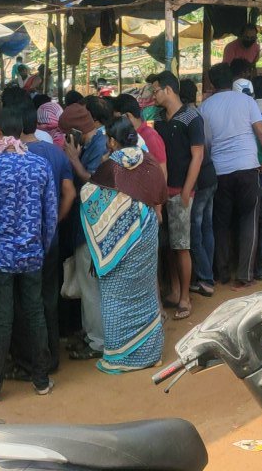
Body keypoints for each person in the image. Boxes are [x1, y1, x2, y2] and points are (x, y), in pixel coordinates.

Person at [0, 107, 57, 404]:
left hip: (0, 255)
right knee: (35, 313)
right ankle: (41, 380)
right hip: (32, 254)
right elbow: (50, 214)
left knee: (2, 320)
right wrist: (41, 245)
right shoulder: (40, 166)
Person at [78, 118, 167, 372]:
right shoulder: (147, 159)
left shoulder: (109, 167)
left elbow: (89, 193)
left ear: (112, 141)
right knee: (146, 290)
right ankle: (151, 353)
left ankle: (120, 357)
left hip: (118, 236)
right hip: (146, 228)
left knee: (116, 294)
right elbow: (159, 190)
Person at [200, 63, 262, 290]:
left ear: (211, 83)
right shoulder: (247, 102)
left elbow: (206, 143)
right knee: (249, 219)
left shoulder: (205, 107)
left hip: (220, 170)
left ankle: (223, 272)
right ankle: (245, 274)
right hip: (248, 167)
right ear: (232, 79)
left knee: (221, 222)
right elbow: (261, 133)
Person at [18, 101, 76, 375]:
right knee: (49, 297)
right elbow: (70, 193)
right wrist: (55, 220)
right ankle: (53, 354)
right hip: (50, 238)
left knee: (28, 301)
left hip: (24, 241)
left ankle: (33, 359)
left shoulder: (13, 156)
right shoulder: (56, 153)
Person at [153, 71, 216, 309]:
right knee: (170, 245)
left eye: (156, 89)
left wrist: (186, 191)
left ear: (168, 90)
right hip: (164, 189)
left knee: (182, 245)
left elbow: (197, 155)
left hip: (181, 190)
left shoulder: (192, 118)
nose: (153, 94)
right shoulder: (159, 118)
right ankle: (176, 290)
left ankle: (185, 299)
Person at [58, 102, 108, 360]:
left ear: (74, 131)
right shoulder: (93, 143)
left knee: (90, 288)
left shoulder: (100, 146)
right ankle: (91, 334)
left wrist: (73, 160)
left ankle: (98, 341)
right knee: (87, 286)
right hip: (87, 226)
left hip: (93, 227)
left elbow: (95, 181)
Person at [113, 93, 167, 177]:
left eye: (117, 120)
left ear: (127, 116)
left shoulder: (150, 137)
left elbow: (162, 172)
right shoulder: (129, 135)